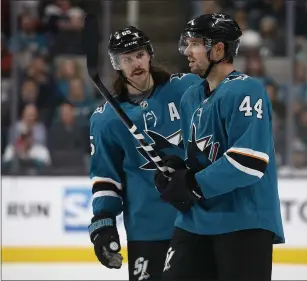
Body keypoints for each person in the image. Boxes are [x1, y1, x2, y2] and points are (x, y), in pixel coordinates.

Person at [154, 13, 285, 281]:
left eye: (194, 44)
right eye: (186, 43)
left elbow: (250, 162)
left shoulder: (246, 90)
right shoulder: (192, 96)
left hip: (244, 221)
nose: (187, 51)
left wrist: (191, 183)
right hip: (195, 221)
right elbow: (198, 153)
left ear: (218, 49)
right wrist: (175, 168)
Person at [87, 26, 201, 280]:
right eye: (125, 59)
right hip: (146, 229)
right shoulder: (106, 119)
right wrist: (104, 222)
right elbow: (105, 177)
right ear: (117, 64)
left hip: (196, 221)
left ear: (149, 54)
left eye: (138, 55)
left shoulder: (187, 89)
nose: (135, 63)